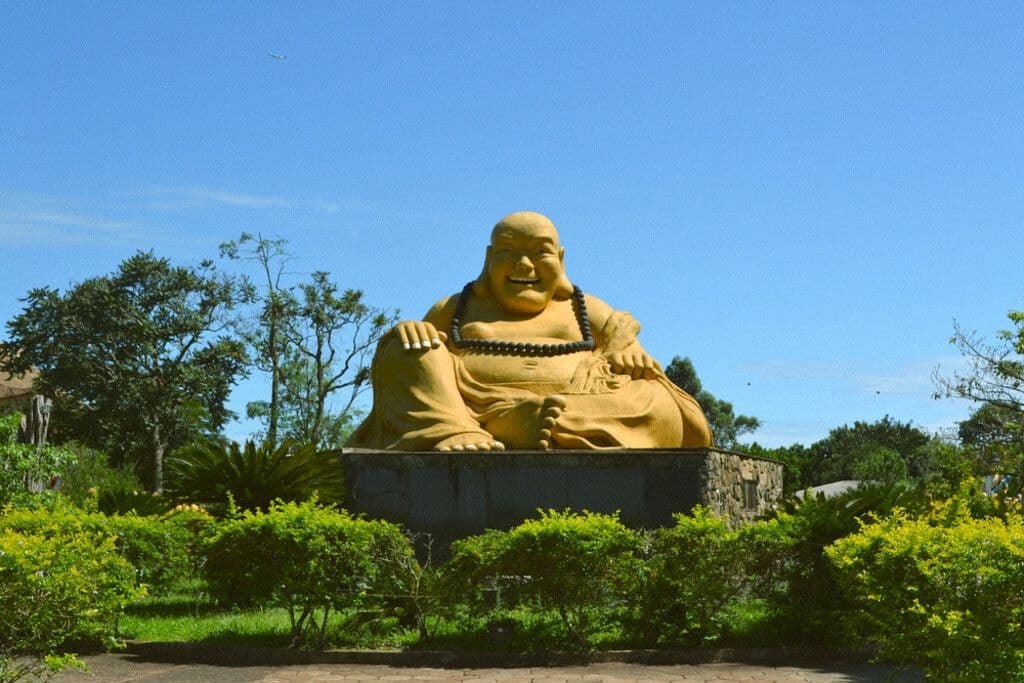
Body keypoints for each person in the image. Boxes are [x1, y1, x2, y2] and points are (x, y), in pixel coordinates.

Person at [347, 211, 712, 451]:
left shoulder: (584, 308)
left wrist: (625, 348)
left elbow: (627, 345)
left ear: (561, 260)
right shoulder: (456, 307)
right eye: (508, 252)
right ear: (489, 259)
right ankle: (463, 429)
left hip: (573, 408)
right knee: (405, 346)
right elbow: (418, 366)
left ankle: (520, 426)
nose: (524, 265)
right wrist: (412, 330)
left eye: (540, 253)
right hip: (469, 407)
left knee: (656, 400)